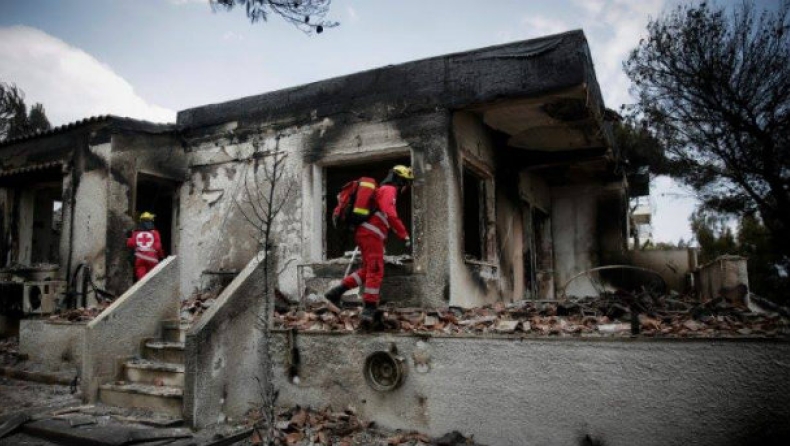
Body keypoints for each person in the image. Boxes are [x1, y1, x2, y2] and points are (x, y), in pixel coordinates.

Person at [325, 165, 414, 324]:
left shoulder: (381, 190)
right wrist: (404, 234)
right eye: (406, 184)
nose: (404, 188)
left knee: (367, 271)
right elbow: (390, 212)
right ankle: (369, 309)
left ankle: (335, 293)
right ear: (400, 181)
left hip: (366, 234)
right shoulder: (389, 189)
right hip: (371, 234)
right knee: (376, 269)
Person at [126, 211, 165, 281]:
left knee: (142, 280)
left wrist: (128, 238)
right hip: (152, 259)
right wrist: (161, 256)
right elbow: (158, 247)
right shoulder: (155, 233)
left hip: (140, 258)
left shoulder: (135, 233)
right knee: (152, 279)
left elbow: (130, 244)